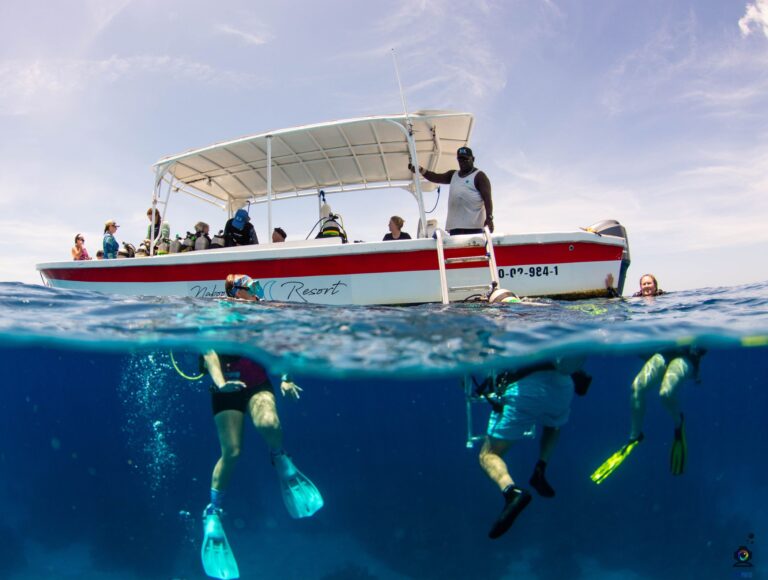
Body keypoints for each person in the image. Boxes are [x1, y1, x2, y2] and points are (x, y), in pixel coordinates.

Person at [200, 274, 323, 579]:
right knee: (232, 451)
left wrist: (286, 377)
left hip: (256, 384)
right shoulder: (218, 314)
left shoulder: (264, 316)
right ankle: (213, 512)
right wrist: (220, 383)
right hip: (226, 387)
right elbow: (209, 352)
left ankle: (280, 457)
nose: (258, 293)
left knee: (269, 422)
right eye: (252, 289)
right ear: (236, 292)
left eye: (258, 288)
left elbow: (281, 348)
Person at [477, 358, 590, 539]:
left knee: (488, 454)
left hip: (526, 388)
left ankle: (512, 492)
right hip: (562, 386)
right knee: (553, 424)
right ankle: (541, 468)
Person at [409, 146, 494, 235]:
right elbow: (436, 177)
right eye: (460, 160)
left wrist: (489, 218)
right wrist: (420, 170)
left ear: (473, 159)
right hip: (455, 228)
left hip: (474, 228)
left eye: (465, 159)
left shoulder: (479, 176)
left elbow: (488, 199)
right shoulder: (453, 174)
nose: (462, 162)